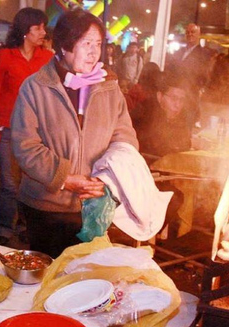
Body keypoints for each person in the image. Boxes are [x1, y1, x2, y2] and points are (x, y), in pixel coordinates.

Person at [11, 9, 138, 258]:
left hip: (95, 204)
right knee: (48, 281)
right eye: (86, 43)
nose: (93, 52)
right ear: (65, 46)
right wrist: (64, 177)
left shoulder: (108, 87)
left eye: (98, 44)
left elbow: (124, 139)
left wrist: (106, 180)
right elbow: (25, 145)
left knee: (89, 279)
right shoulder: (36, 87)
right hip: (47, 207)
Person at [0, 7, 51, 246]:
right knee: (9, 183)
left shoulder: (48, 58)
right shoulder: (4, 57)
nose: (43, 32)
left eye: (43, 27)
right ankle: (3, 227)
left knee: (29, 182)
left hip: (36, 132)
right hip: (7, 131)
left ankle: (24, 225)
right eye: (38, 27)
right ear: (25, 31)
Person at [131, 72, 192, 159]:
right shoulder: (145, 113)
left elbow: (183, 138)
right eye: (174, 98)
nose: (177, 105)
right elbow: (155, 146)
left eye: (181, 100)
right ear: (160, 96)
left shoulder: (178, 116)